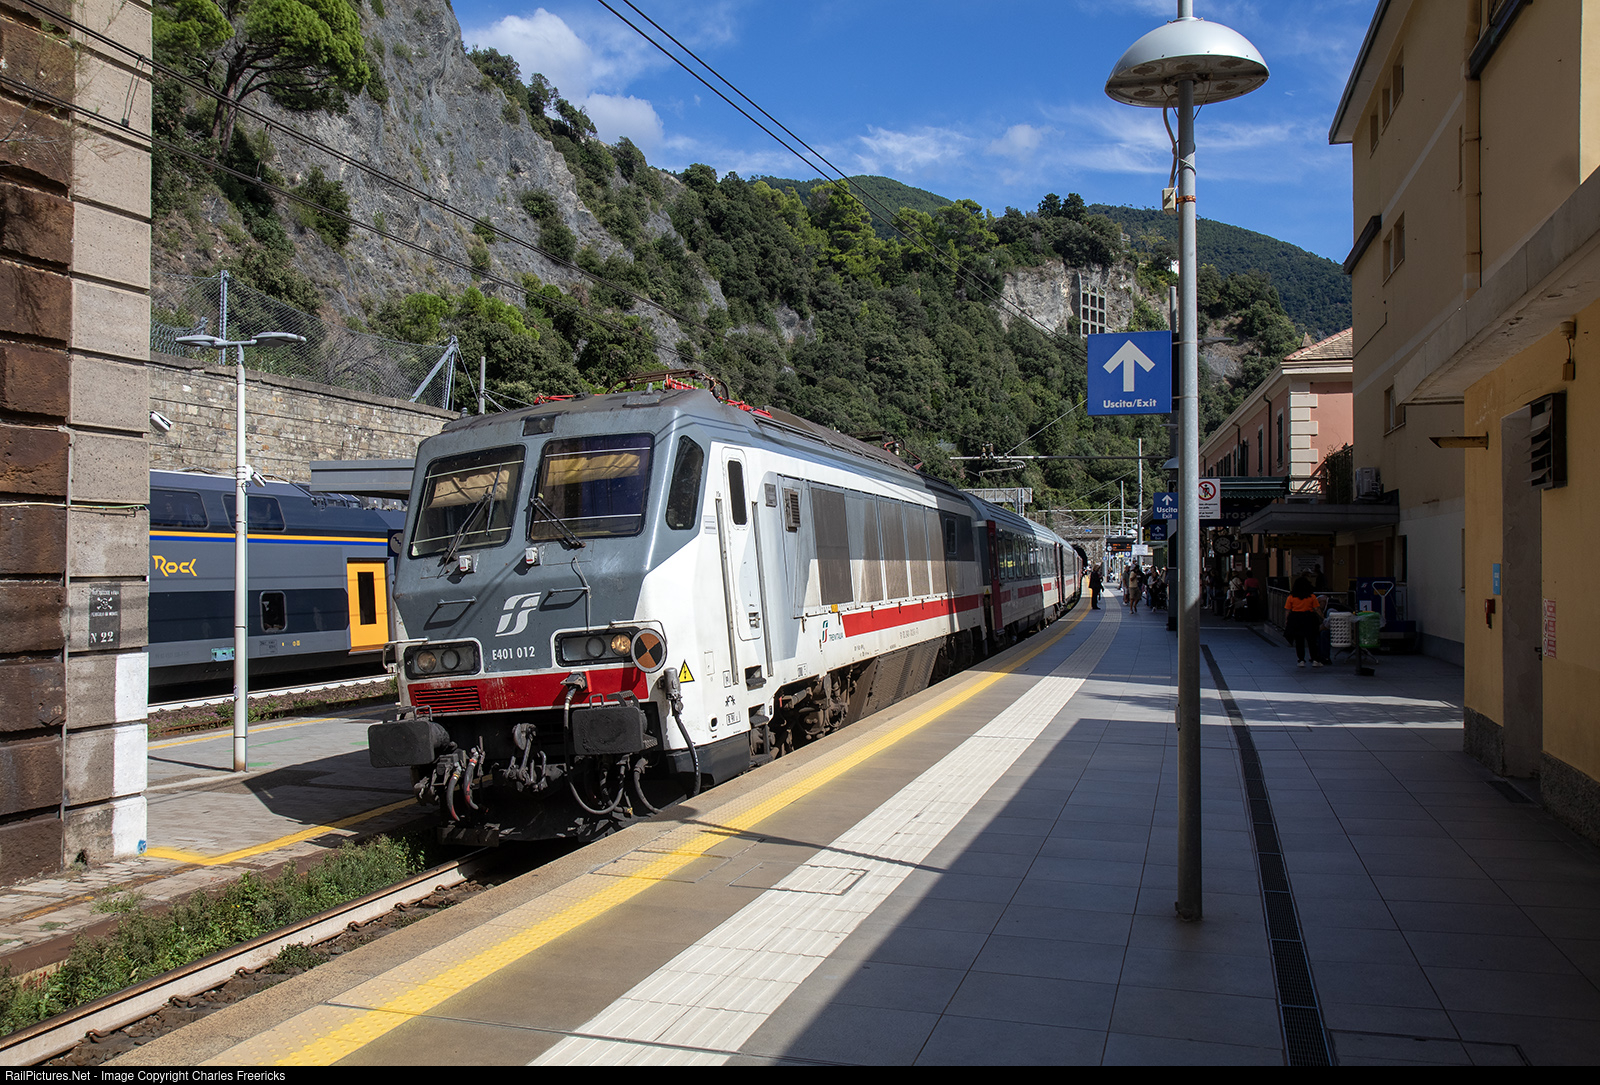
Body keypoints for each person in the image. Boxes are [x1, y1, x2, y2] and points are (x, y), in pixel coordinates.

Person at [1285, 576, 1323, 668]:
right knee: (1312, 640)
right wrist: (1323, 617)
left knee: (1299, 640)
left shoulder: (1291, 597)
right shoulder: (1312, 597)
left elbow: (1287, 610)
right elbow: (1317, 609)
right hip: (1309, 618)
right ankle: (1315, 660)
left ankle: (1301, 660)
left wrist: (1286, 620)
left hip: (1295, 618)